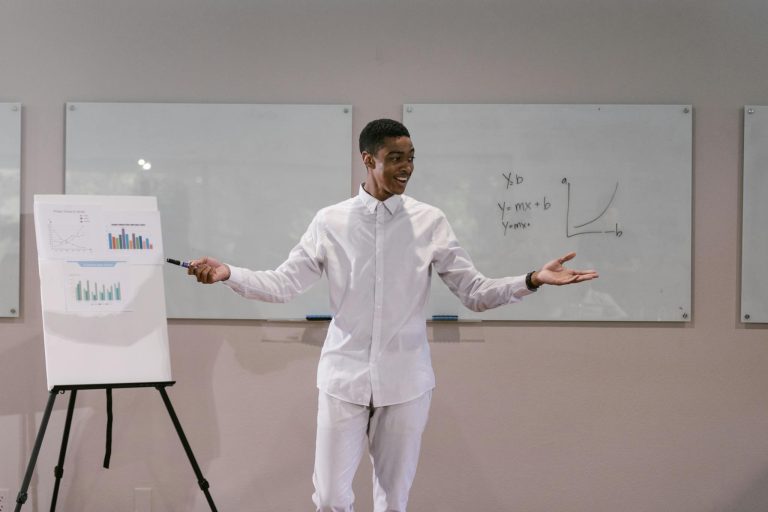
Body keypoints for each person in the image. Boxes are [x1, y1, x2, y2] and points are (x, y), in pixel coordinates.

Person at [187, 118, 598, 512]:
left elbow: (474, 293)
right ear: (369, 160)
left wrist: (532, 279)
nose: (407, 168)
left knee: (394, 502)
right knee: (329, 499)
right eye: (397, 157)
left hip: (406, 382)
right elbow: (283, 283)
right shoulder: (330, 222)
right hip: (342, 379)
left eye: (412, 157)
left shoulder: (429, 222)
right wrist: (229, 273)